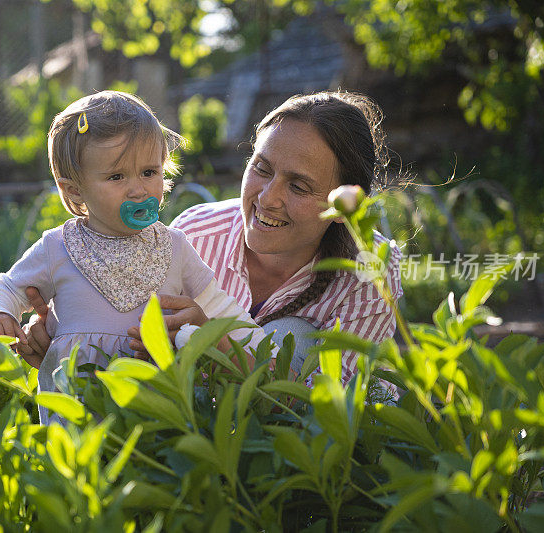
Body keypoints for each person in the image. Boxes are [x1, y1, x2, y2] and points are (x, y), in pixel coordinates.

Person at [22, 90, 404, 388]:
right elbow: (128, 330)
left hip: (293, 448)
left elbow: (334, 404)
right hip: (194, 425)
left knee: (295, 338)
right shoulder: (196, 233)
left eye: (300, 186)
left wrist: (221, 349)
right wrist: (63, 337)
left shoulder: (369, 271)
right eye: (262, 168)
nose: (268, 198)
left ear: (344, 203)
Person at [0, 91, 273, 423]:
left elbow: (220, 309)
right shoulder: (58, 247)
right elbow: (6, 287)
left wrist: (261, 351)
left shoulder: (175, 246)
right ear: (75, 190)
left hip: (156, 411)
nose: (138, 189)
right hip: (77, 409)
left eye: (149, 172)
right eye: (117, 177)